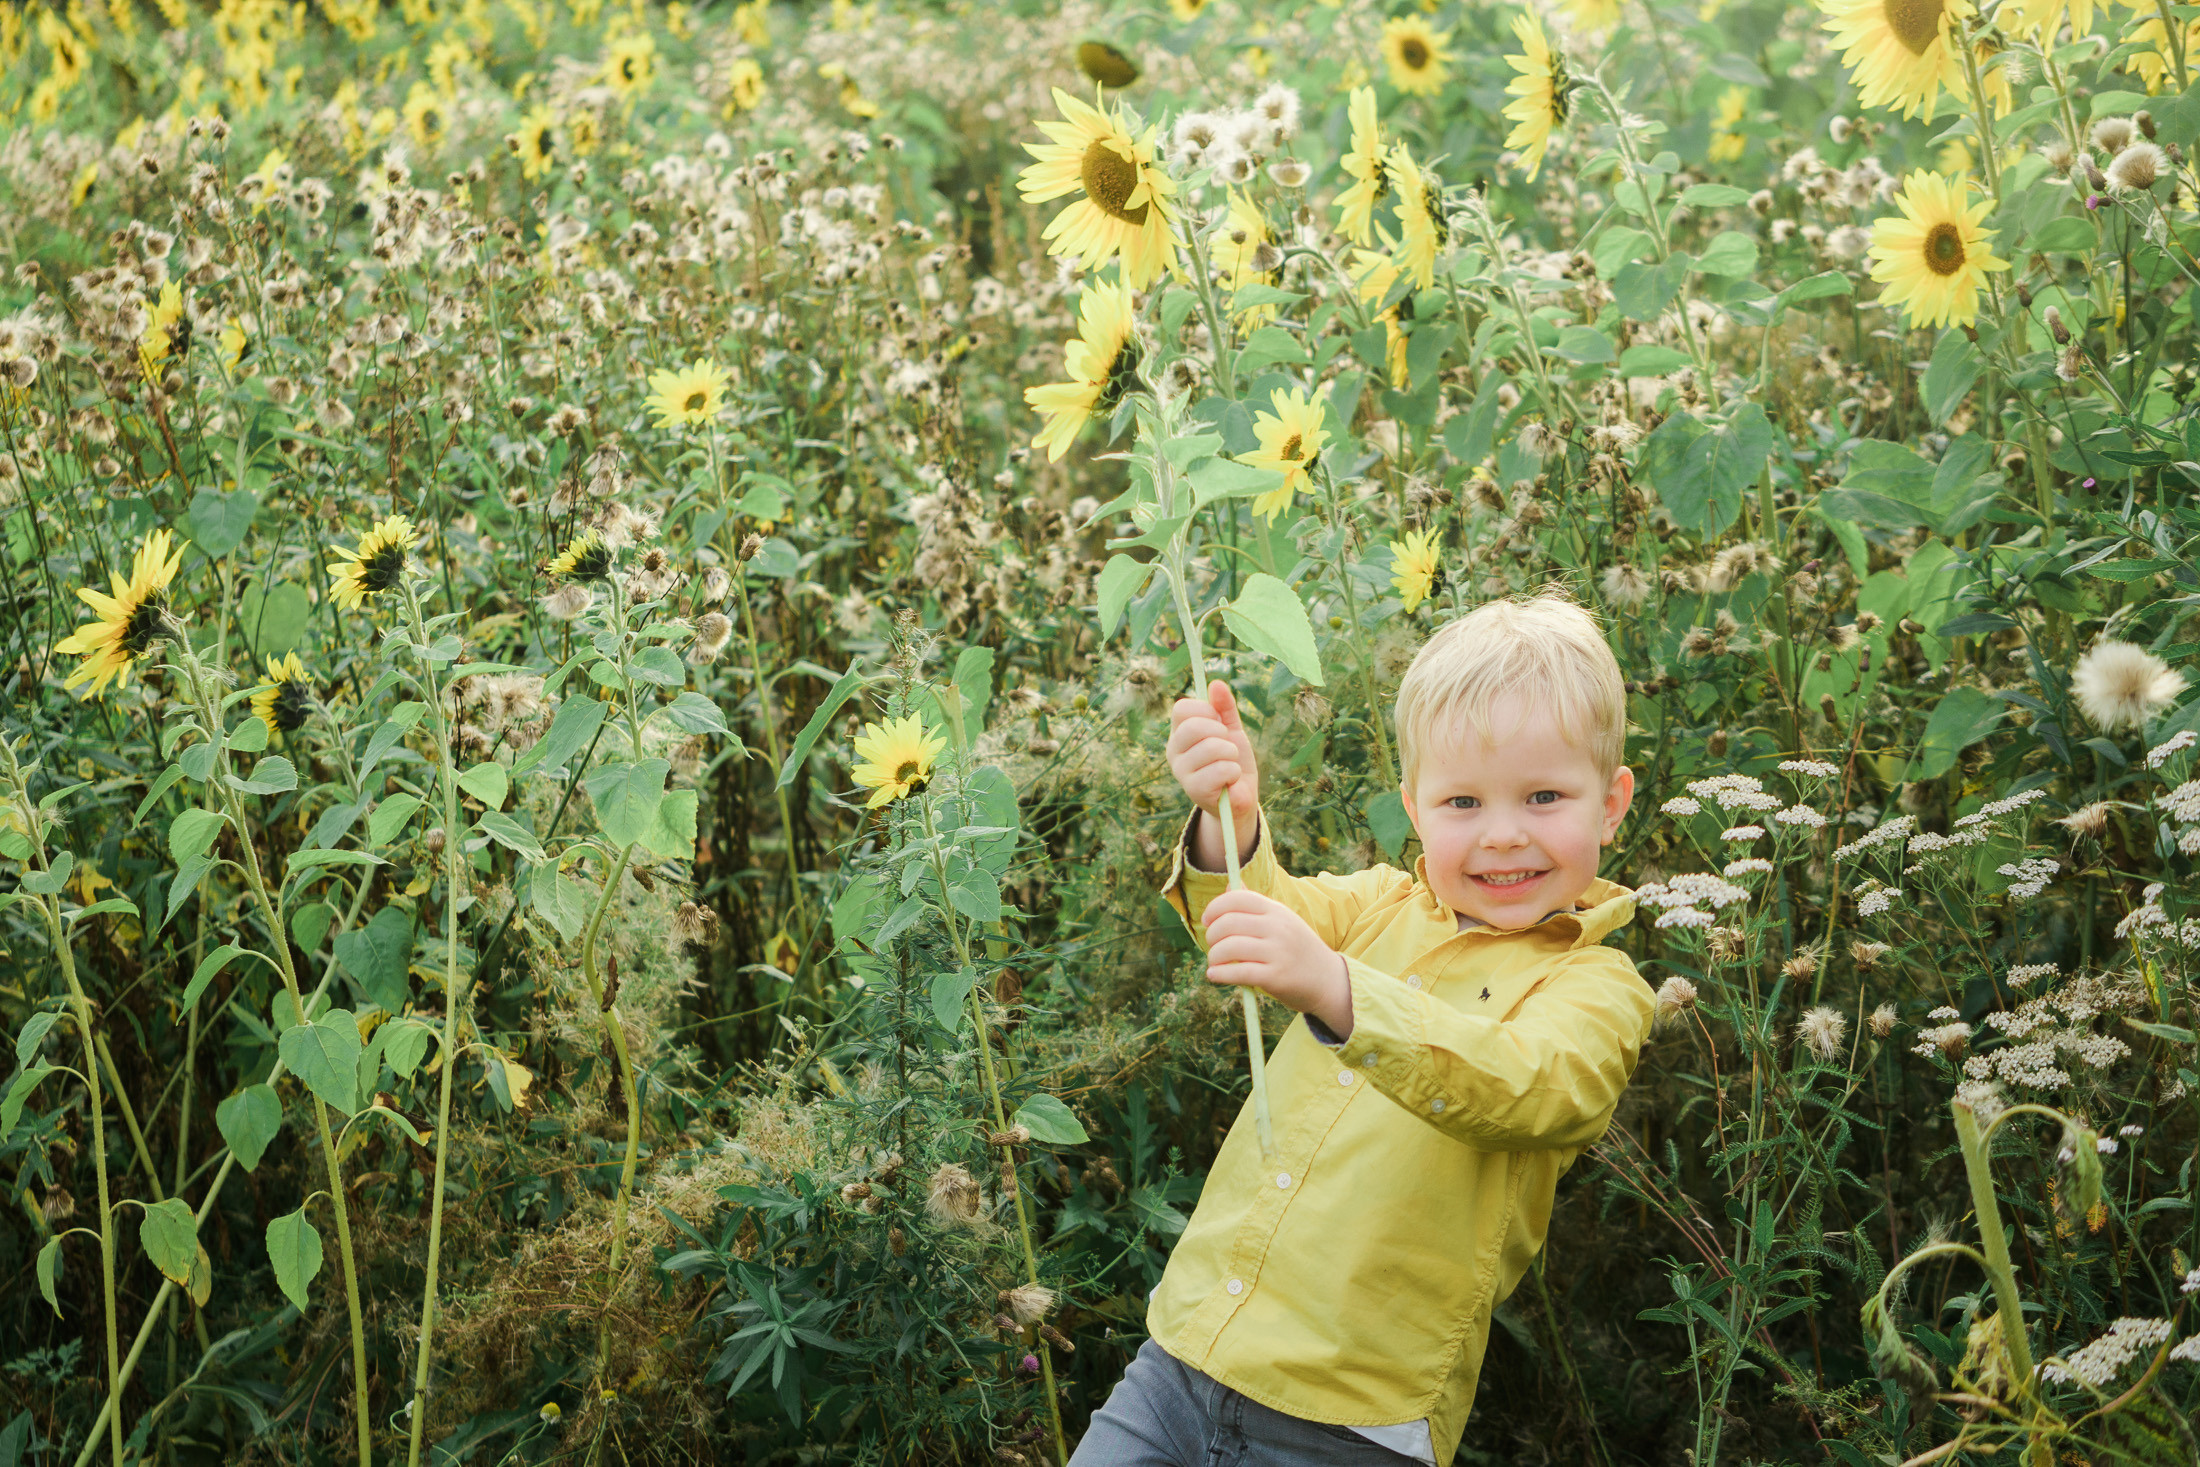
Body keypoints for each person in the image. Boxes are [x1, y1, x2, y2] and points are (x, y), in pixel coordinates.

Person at [1070, 592, 1652, 1466]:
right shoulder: (1382, 902)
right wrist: (1229, 815)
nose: (1501, 835)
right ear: (1414, 807)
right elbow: (1262, 915)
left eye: (1542, 796)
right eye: (1461, 801)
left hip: (1349, 1420)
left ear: (1609, 804)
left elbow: (1529, 1085)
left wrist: (1340, 989)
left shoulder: (1596, 986)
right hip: (1184, 1356)